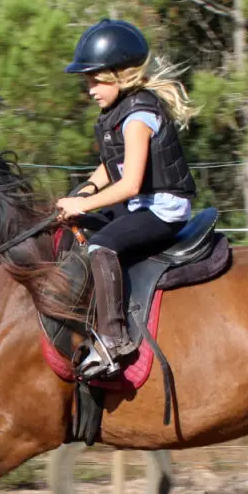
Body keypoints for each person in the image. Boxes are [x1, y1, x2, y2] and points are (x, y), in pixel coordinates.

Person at [56, 19, 198, 377]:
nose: (89, 89)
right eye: (86, 81)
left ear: (120, 74)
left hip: (162, 209)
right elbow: (109, 167)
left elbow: (131, 183)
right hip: (139, 205)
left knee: (101, 247)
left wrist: (84, 204)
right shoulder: (114, 114)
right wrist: (83, 192)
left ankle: (113, 340)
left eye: (95, 80)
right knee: (78, 229)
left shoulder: (138, 115)